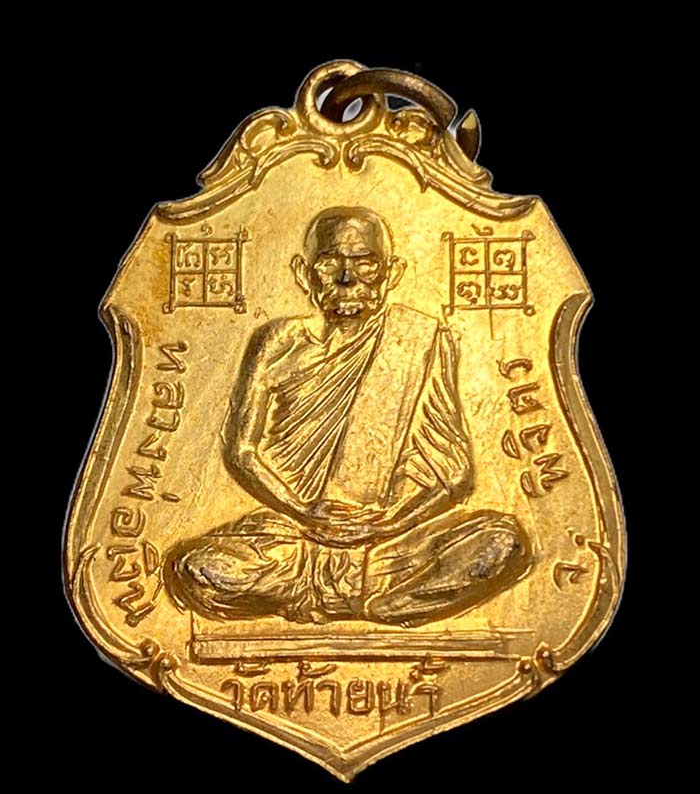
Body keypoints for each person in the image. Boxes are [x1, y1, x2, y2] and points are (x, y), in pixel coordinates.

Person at [164, 206, 531, 625]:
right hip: (293, 538)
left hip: (391, 544)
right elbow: (242, 453)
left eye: (365, 263)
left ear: (391, 272)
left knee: (502, 542)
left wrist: (385, 524)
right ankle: (364, 596)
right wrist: (304, 512)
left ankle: (366, 597)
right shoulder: (276, 342)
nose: (346, 278)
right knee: (196, 568)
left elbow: (454, 474)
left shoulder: (419, 339)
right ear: (304, 273)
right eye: (329, 263)